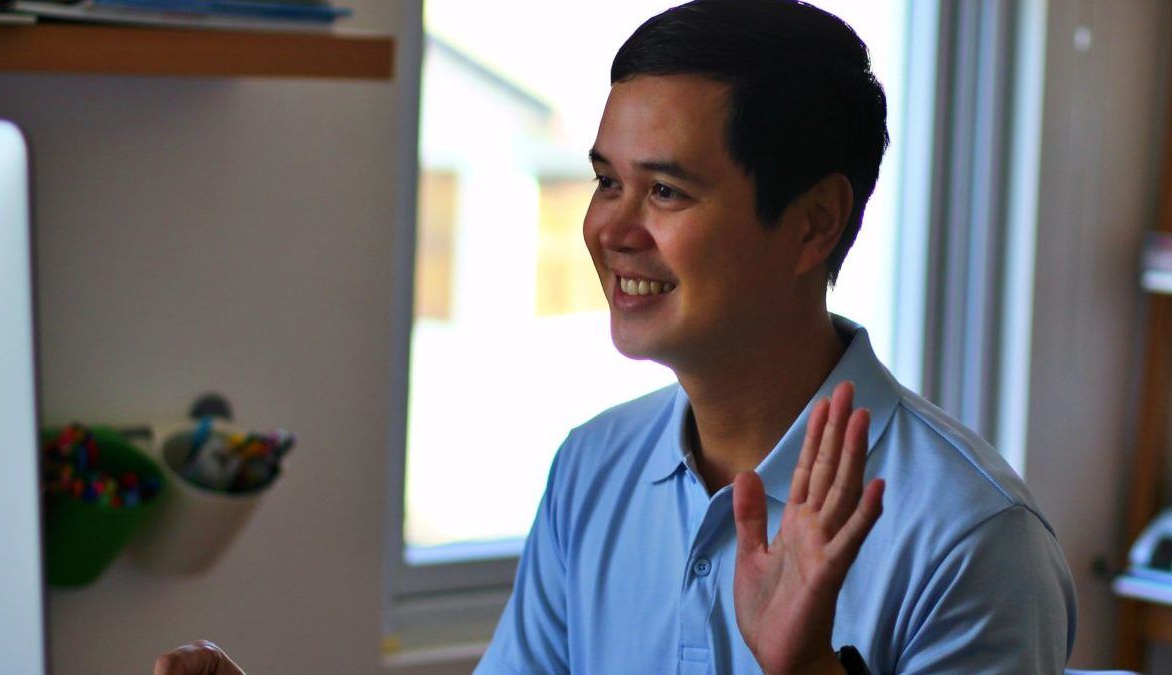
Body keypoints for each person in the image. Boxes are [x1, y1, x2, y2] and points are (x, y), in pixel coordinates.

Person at [155, 1, 1076, 673]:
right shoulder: (592, 470)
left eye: (666, 191)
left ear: (812, 223)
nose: (609, 228)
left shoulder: (970, 538)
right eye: (606, 181)